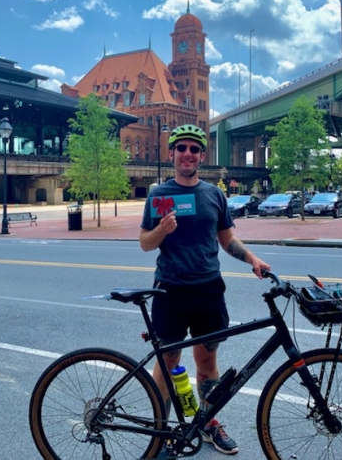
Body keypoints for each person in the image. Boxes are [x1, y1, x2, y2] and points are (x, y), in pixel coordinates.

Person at [139, 124, 271, 456]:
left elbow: (226, 239)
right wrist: (162, 231)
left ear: (201, 155)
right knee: (167, 362)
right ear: (172, 154)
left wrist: (252, 258)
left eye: (194, 149)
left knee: (207, 362)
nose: (188, 154)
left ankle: (208, 423)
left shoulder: (214, 194)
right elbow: (144, 243)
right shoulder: (159, 195)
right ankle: (160, 432)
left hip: (208, 290)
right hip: (170, 290)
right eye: (181, 148)